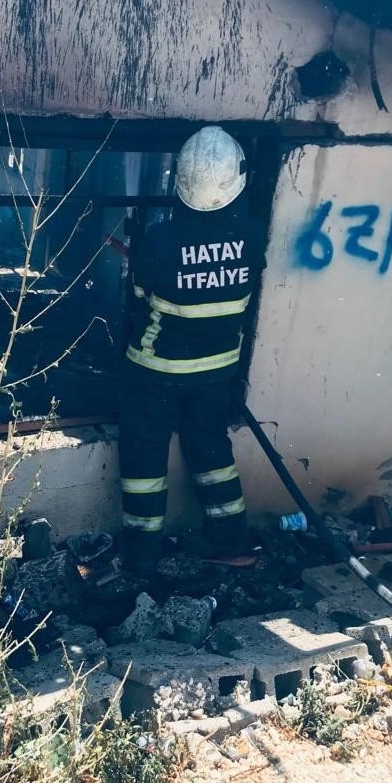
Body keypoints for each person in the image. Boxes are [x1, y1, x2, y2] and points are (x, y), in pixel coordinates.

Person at [118, 125, 267, 577]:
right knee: (210, 448)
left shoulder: (160, 240)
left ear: (179, 180)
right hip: (217, 370)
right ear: (238, 178)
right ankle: (229, 539)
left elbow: (141, 292)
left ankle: (142, 555)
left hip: (155, 370)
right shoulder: (254, 234)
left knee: (145, 453)